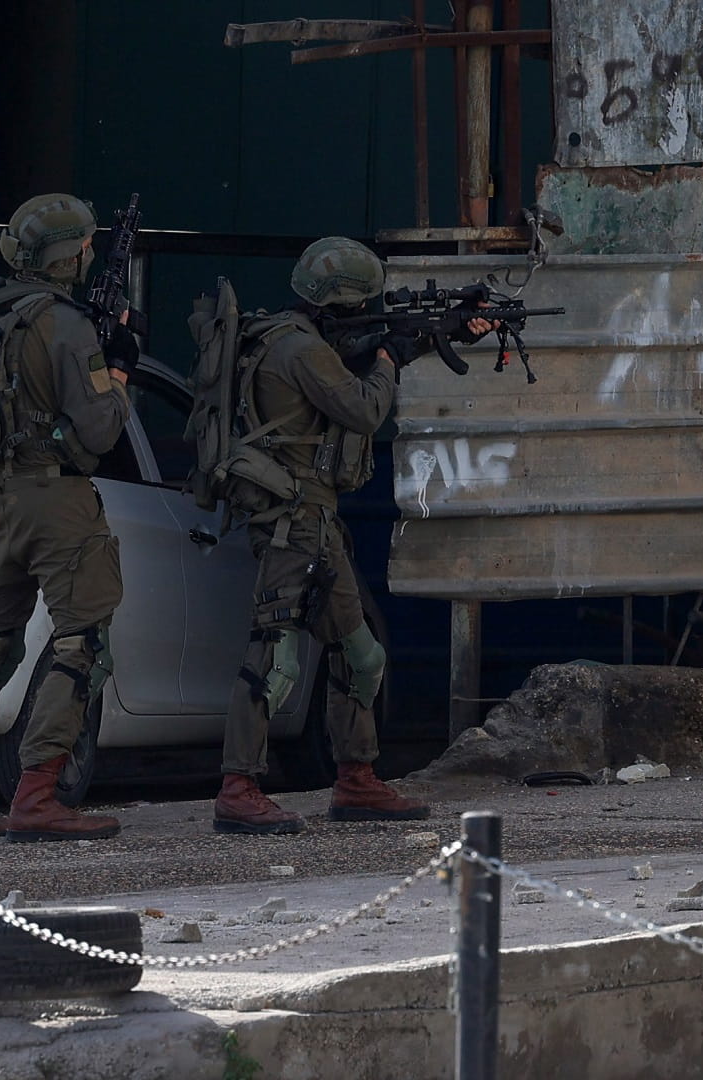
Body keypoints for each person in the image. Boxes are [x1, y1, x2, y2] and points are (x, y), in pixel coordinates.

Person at [212, 236, 495, 834]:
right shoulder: (299, 351)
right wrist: (392, 359)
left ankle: (356, 779)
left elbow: (360, 359)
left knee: (361, 655)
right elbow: (365, 408)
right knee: (275, 656)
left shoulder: (297, 336)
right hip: (292, 521)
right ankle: (238, 786)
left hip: (317, 522)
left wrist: (433, 336)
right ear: (339, 303)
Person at [0, 193, 140, 842]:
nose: (91, 254)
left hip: (0, 496)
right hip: (58, 498)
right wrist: (119, 367)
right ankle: (38, 791)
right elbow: (98, 428)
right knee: (81, 639)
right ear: (69, 258)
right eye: (85, 247)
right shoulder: (65, 325)